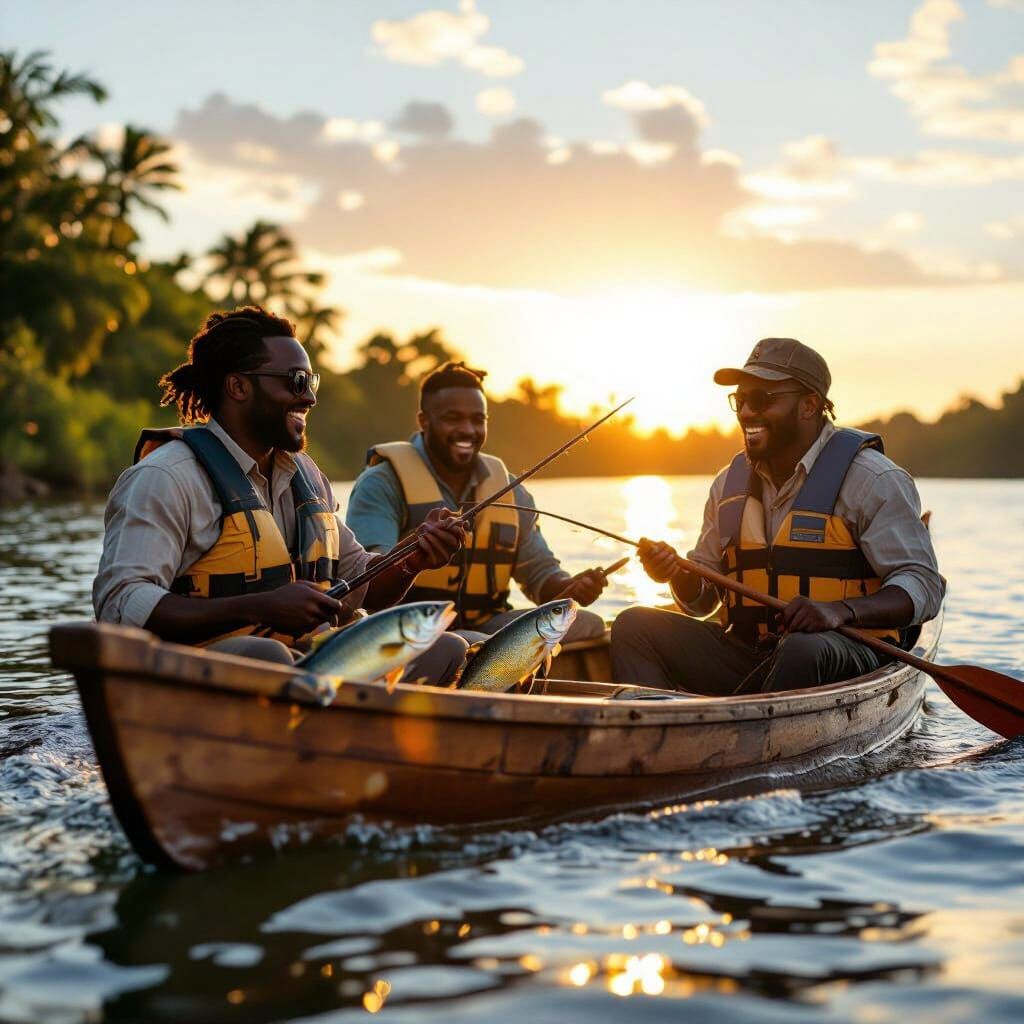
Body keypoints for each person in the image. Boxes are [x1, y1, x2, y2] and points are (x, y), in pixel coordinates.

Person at [93, 307, 468, 684]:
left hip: (301, 672)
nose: (309, 398)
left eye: (310, 382)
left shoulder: (306, 475)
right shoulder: (165, 478)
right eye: (295, 380)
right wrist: (258, 607)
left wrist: (414, 558)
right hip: (193, 678)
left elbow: (363, 586)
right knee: (268, 656)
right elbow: (121, 605)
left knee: (446, 648)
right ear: (238, 387)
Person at [611, 337, 944, 694]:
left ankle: (765, 739)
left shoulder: (873, 480)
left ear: (809, 405)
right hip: (750, 656)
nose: (747, 413)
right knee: (634, 625)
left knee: (802, 647)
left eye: (762, 399)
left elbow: (923, 586)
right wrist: (678, 575)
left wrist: (840, 611)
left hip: (842, 653)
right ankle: (660, 736)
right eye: (740, 401)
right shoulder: (727, 485)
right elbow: (702, 601)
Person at [345, 360, 608, 644]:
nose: (468, 430)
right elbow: (365, 582)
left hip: (488, 628)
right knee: (463, 641)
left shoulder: (510, 489)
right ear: (423, 421)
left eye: (477, 419)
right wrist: (417, 552)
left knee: (589, 625)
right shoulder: (382, 483)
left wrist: (572, 586)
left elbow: (541, 577)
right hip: (408, 632)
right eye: (453, 418)